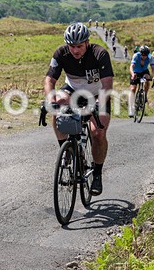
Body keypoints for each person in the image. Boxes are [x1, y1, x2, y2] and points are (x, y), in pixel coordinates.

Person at [44, 22, 113, 196]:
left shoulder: (100, 54)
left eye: (79, 46)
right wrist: (50, 99)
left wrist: (98, 106)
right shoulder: (61, 53)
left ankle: (97, 173)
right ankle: (66, 151)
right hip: (72, 90)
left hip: (97, 94)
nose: (75, 50)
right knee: (57, 108)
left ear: (87, 43)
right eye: (72, 46)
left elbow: (107, 85)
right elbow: (49, 80)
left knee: (98, 133)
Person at [130, 45, 154, 116]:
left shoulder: (150, 57)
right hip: (136, 71)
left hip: (144, 71)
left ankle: (144, 96)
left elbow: (153, 68)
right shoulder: (136, 56)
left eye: (146, 55)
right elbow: (131, 66)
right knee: (133, 88)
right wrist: (133, 74)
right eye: (142, 55)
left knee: (147, 79)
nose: (144, 57)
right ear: (140, 53)